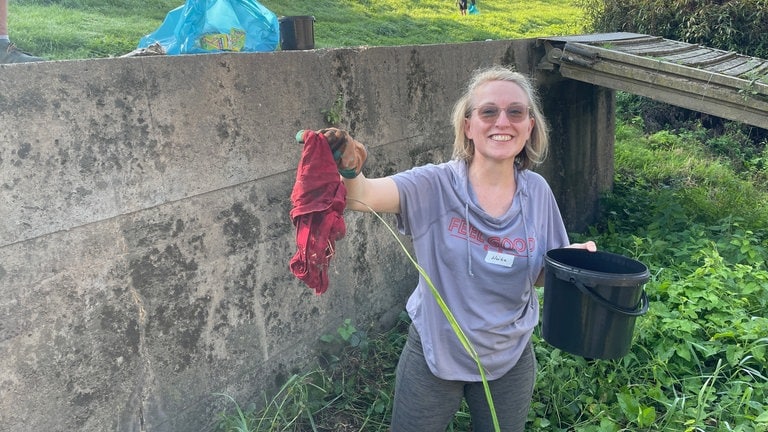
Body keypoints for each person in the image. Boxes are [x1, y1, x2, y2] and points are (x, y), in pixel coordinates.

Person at [318, 65, 596, 431]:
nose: (503, 121)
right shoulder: (434, 184)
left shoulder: (538, 193)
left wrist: (569, 263)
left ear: (530, 126)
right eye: (488, 111)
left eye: (516, 112)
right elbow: (363, 198)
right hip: (435, 352)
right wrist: (350, 170)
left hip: (509, 356)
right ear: (467, 125)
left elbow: (540, 277)